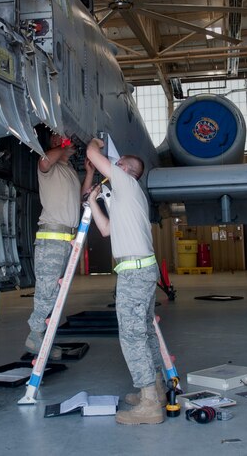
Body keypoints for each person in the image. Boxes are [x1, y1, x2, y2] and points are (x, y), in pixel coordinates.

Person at [85, 137, 165, 425]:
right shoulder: (126, 197)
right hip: (139, 269)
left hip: (134, 272)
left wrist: (96, 142)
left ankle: (149, 404)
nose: (113, 165)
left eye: (117, 163)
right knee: (144, 332)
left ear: (125, 169)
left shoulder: (126, 182)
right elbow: (106, 230)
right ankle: (157, 388)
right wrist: (93, 202)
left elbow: (91, 152)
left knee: (132, 335)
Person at [25, 134, 91, 360]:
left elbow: (81, 198)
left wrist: (89, 173)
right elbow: (43, 161)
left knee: (56, 295)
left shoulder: (68, 170)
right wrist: (63, 149)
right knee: (47, 291)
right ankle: (35, 334)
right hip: (52, 239)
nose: (69, 142)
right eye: (63, 139)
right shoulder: (50, 166)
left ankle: (44, 340)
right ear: (55, 144)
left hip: (67, 240)